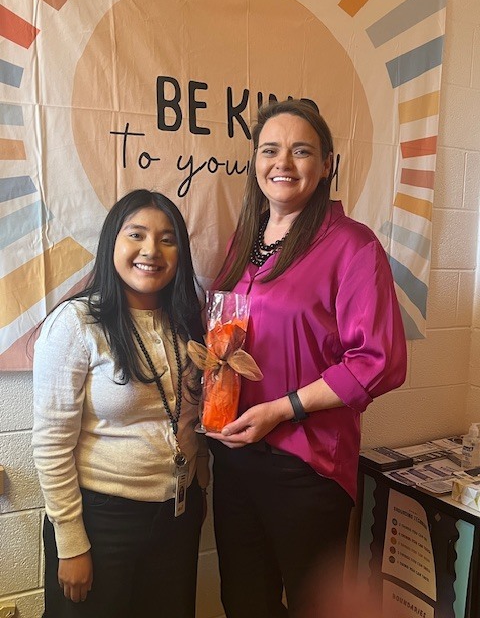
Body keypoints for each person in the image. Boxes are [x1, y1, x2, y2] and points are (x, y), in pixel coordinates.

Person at [206, 99, 407, 618]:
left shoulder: (352, 247)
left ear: (326, 166)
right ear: (255, 160)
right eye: (271, 150)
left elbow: (377, 360)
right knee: (244, 602)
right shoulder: (245, 242)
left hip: (306, 466)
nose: (284, 164)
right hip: (235, 457)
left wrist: (281, 408)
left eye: (301, 151)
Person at [32, 189, 209, 618]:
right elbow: (51, 445)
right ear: (113, 241)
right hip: (101, 520)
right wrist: (70, 544)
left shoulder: (188, 321)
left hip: (177, 517)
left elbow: (191, 417)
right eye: (137, 235)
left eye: (168, 239)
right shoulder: (76, 323)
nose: (152, 250)